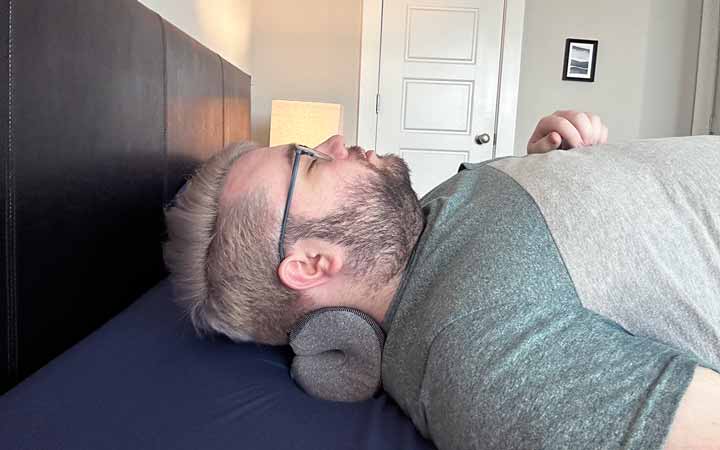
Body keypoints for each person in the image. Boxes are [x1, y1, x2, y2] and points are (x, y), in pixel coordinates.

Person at [163, 110, 720, 449]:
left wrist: (551, 165)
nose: (334, 141)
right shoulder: (484, 360)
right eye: (309, 161)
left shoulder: (424, 221)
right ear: (311, 263)